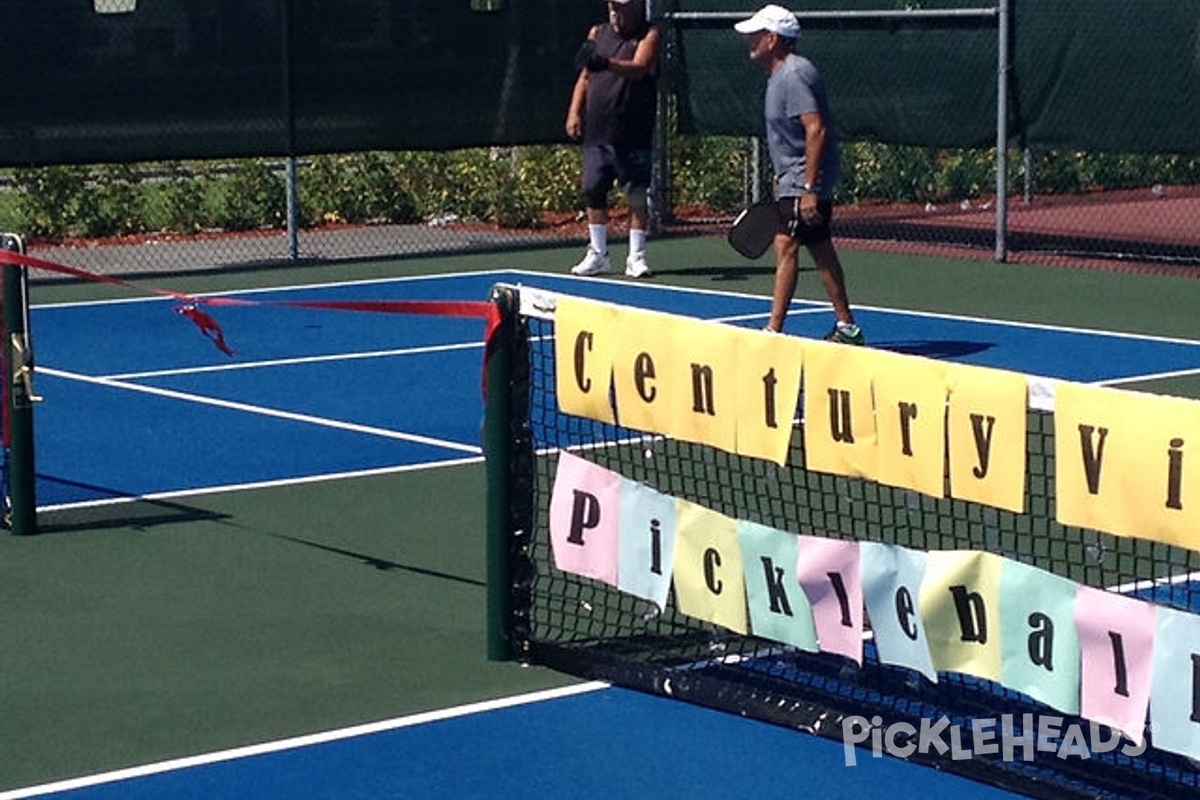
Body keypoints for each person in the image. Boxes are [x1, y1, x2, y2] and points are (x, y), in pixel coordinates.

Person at [734, 5, 864, 344]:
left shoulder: (793, 75)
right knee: (820, 247)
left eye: (757, 34)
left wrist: (809, 188)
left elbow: (816, 129)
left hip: (804, 180)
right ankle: (847, 326)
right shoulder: (782, 75)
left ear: (773, 39)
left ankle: (773, 332)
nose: (750, 39)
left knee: (785, 246)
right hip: (795, 178)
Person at [565, 0, 660, 279]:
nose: (616, 12)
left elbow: (640, 67)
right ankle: (598, 254)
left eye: (622, 7)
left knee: (636, 193)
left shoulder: (649, 34)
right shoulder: (597, 33)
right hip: (598, 132)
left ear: (635, 8)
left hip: (633, 132)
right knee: (593, 190)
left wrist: (605, 63)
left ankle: (636, 257)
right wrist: (574, 112)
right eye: (613, 7)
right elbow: (584, 77)